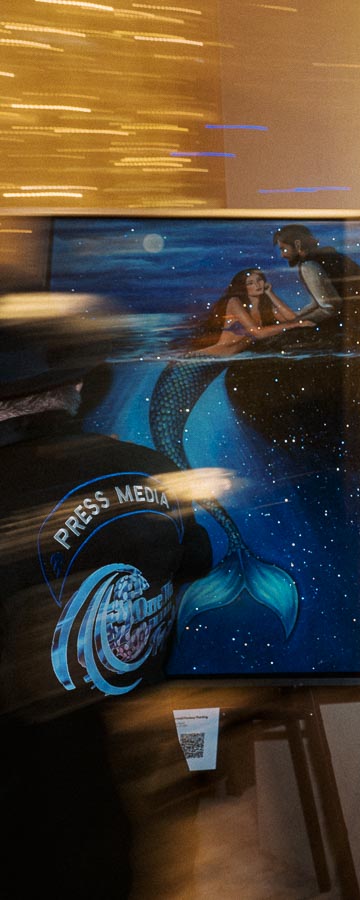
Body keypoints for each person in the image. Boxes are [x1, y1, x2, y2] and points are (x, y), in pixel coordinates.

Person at [0, 293, 213, 897]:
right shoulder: (148, 466)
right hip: (128, 737)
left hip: (22, 767)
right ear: (74, 389)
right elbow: (196, 560)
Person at [273, 223, 360, 351]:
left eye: (284, 249)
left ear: (297, 245)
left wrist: (296, 323)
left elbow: (329, 308)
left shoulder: (309, 265)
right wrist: (298, 317)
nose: (282, 255)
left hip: (358, 324)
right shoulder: (332, 256)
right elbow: (320, 301)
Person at [186, 267, 314, 357]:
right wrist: (297, 325)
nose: (257, 285)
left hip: (231, 358)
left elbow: (293, 318)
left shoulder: (265, 307)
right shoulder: (234, 302)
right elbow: (257, 333)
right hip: (208, 356)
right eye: (250, 283)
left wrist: (270, 293)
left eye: (259, 280)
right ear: (243, 287)